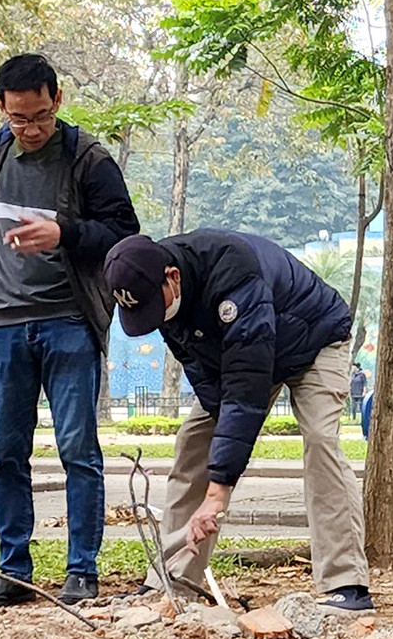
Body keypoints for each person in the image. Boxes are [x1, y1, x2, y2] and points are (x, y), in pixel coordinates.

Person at [0, 54, 140, 607]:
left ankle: (82, 569)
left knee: (78, 449)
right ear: (1, 108)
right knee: (6, 453)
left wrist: (64, 232)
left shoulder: (88, 158)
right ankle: (13, 570)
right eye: (18, 119)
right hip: (7, 325)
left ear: (56, 99)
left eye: (39, 116)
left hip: (69, 323)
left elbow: (123, 234)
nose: (30, 130)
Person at [102, 230, 373, 613]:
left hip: (313, 340)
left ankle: (347, 584)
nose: (152, 317)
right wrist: (218, 443)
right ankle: (176, 579)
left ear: (173, 276)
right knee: (194, 444)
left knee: (320, 441)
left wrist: (218, 491)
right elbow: (208, 377)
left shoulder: (233, 275)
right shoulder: (155, 296)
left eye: (152, 307)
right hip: (252, 355)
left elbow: (246, 385)